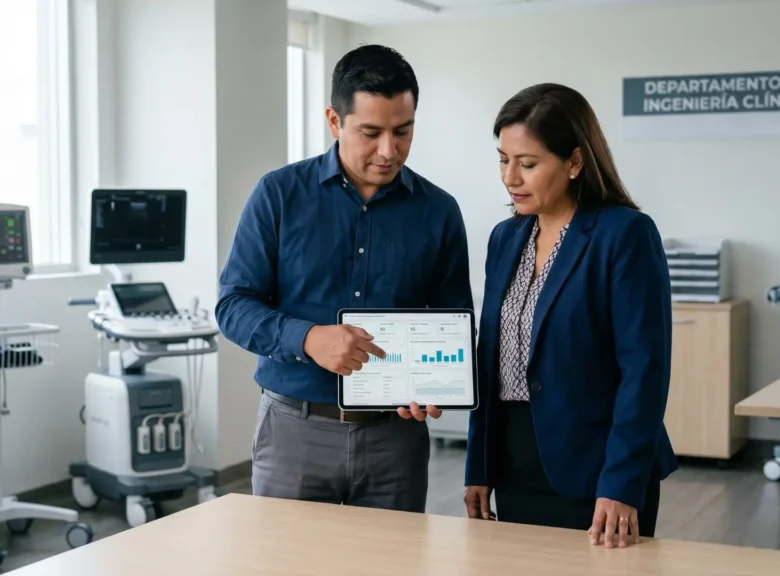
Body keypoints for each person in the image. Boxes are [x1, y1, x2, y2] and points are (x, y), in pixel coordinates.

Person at [215, 44, 473, 513]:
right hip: (294, 431)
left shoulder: (439, 211)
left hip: (396, 439)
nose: (388, 150)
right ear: (334, 121)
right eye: (371, 132)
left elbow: (455, 320)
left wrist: (434, 383)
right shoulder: (278, 195)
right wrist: (308, 338)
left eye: (403, 131)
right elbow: (233, 305)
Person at [463, 83, 678, 548]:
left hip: (597, 469)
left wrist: (621, 483)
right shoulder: (505, 237)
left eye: (529, 163)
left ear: (575, 162)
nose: (510, 177)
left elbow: (644, 371)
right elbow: (490, 359)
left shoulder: (625, 234)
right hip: (514, 464)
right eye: (503, 159)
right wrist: (478, 466)